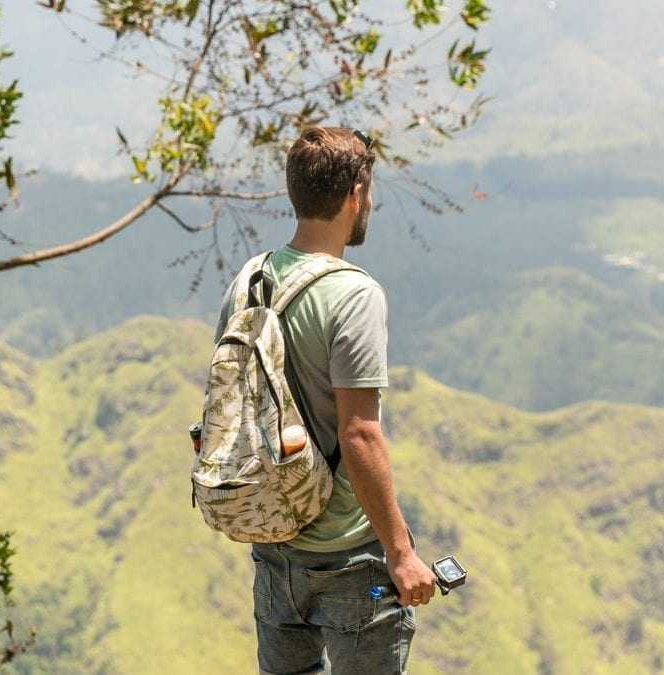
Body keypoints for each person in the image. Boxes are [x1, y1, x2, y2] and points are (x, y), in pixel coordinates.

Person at [213, 127, 436, 674]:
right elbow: (359, 433)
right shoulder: (354, 294)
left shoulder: (252, 279)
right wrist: (402, 555)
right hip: (347, 559)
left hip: (274, 544)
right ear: (356, 194)